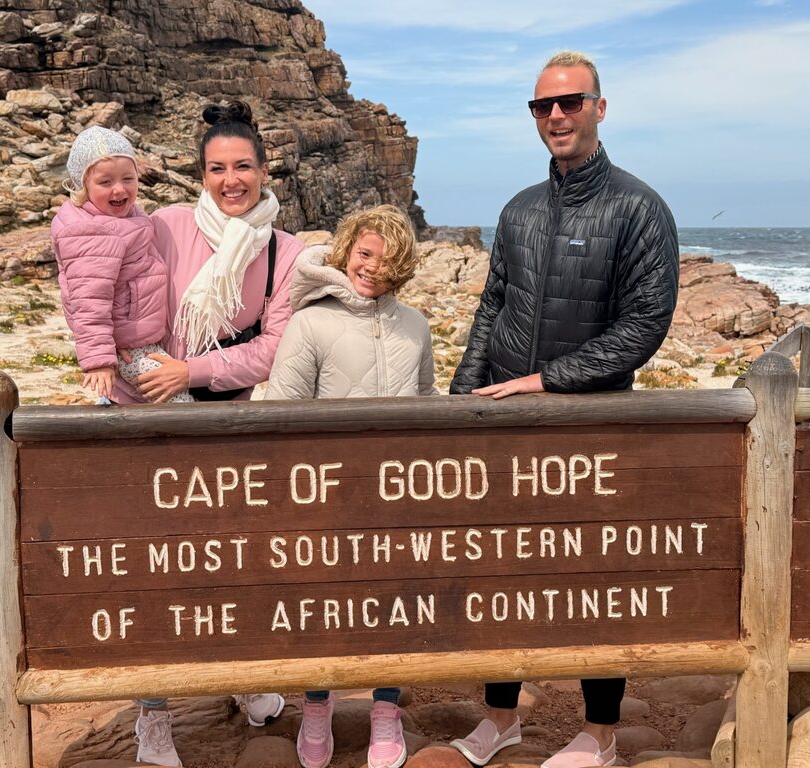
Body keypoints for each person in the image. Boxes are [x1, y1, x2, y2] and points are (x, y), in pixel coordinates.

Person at [448, 50, 680, 768]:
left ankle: (602, 735)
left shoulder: (640, 208)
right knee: (499, 572)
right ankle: (501, 718)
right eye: (543, 106)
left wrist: (551, 381)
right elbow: (493, 307)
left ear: (599, 109)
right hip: (507, 423)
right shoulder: (518, 209)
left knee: (593, 578)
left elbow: (644, 326)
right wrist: (462, 399)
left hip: (595, 428)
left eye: (571, 102)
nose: (556, 116)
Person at [130, 100, 306, 766]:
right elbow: (122, 296)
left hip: (234, 421)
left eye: (242, 167)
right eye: (216, 169)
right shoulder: (168, 226)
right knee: (162, 570)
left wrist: (193, 370)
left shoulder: (285, 251)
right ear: (200, 175)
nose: (230, 180)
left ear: (264, 170)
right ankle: (153, 716)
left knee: (235, 560)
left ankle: (236, 677)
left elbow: (272, 350)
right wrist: (148, 374)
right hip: (157, 419)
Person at [266, 204, 435, 768]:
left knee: (394, 606)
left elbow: (428, 405)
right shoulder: (311, 321)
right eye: (364, 254)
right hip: (327, 496)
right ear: (345, 252)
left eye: (387, 261)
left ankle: (385, 715)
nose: (373, 269)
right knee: (323, 604)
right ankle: (317, 709)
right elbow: (283, 411)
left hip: (398, 495)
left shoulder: (416, 325)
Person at [50, 125, 193, 404]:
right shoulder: (92, 232)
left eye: (128, 178)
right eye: (105, 182)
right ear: (83, 186)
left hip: (138, 341)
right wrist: (101, 361)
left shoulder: (124, 217)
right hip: (127, 349)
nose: (119, 189)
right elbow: (89, 302)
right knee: (179, 400)